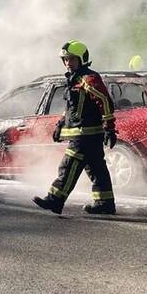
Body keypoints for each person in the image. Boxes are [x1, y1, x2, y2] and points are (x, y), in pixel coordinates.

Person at [33, 40, 119, 215]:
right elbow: (72, 108)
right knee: (96, 168)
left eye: (72, 59)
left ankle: (55, 200)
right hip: (83, 134)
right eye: (65, 60)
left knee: (69, 164)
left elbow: (104, 101)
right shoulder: (74, 80)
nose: (67, 63)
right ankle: (105, 203)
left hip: (85, 135)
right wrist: (60, 125)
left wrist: (110, 127)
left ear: (82, 59)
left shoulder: (89, 78)